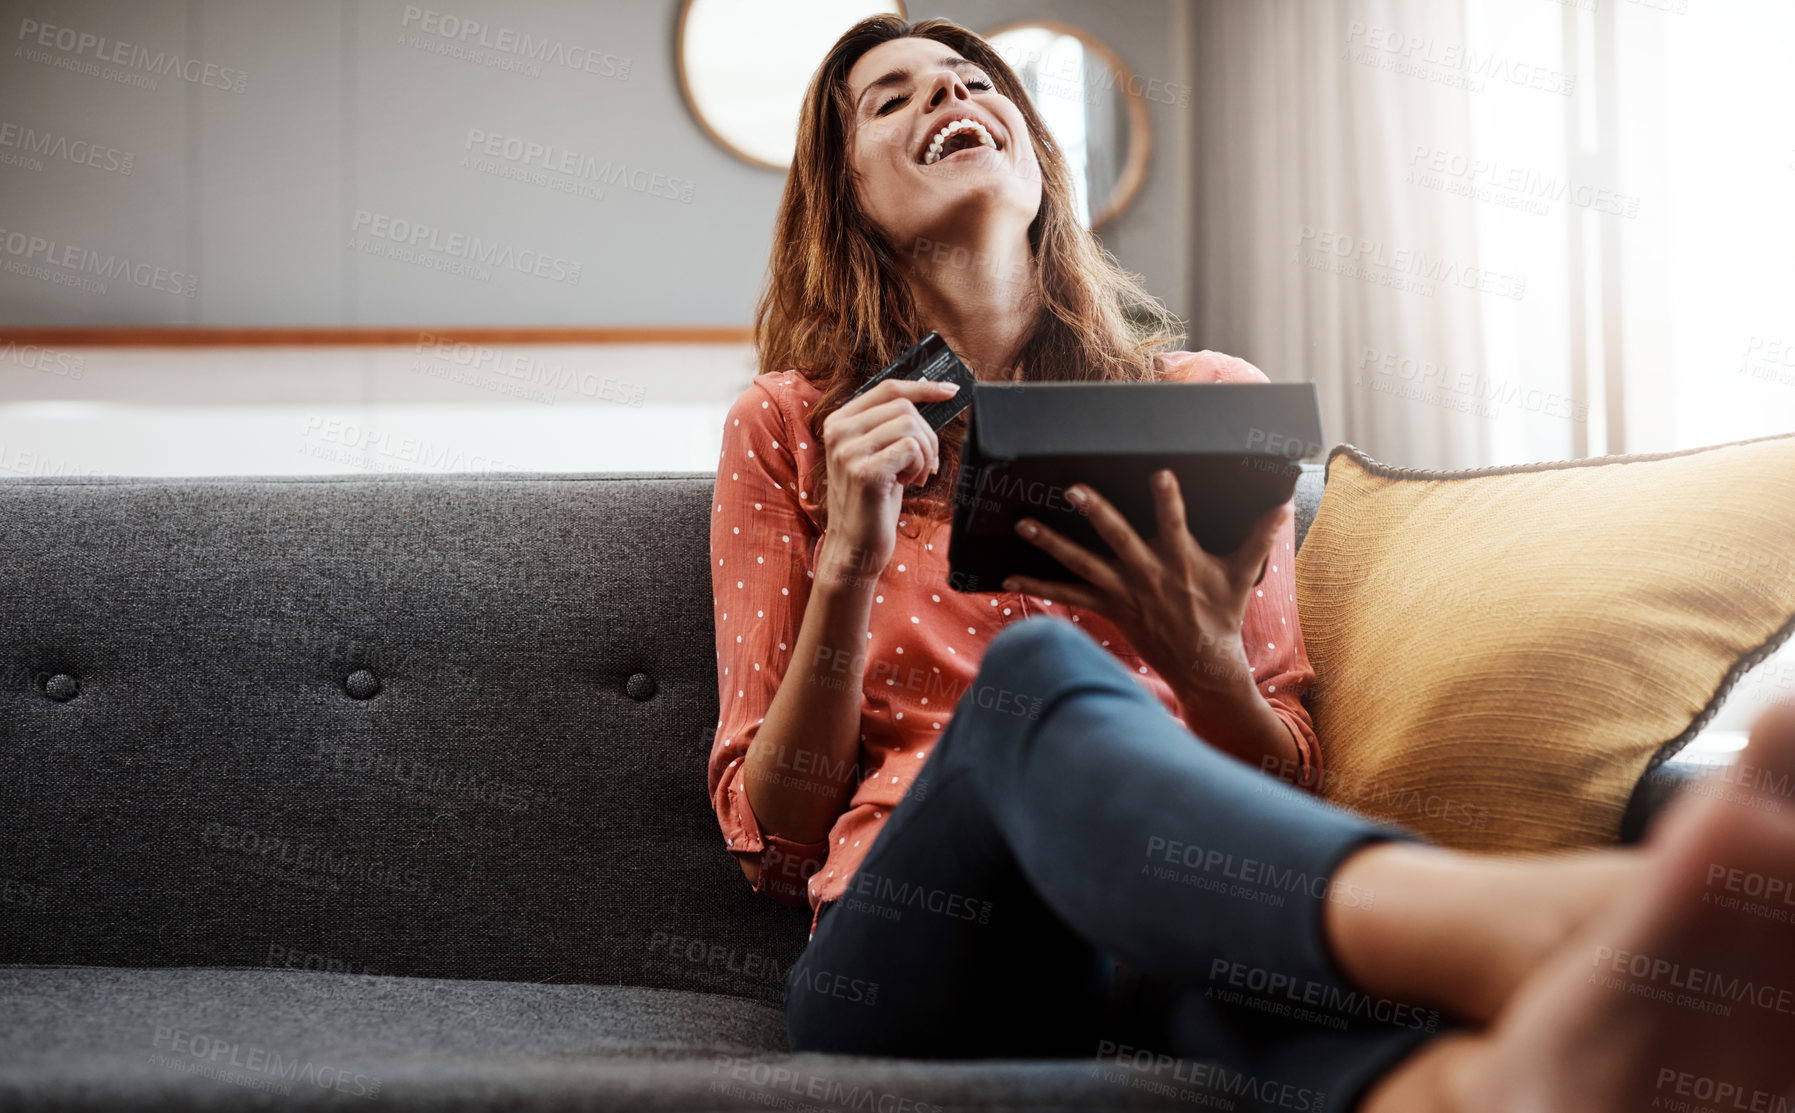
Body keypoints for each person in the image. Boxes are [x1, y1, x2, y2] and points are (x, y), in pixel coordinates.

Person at [707, 15, 1795, 1111]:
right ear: (842, 197)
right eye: (890, 100)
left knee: (1246, 1002)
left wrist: (1202, 658)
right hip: (911, 947)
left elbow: (1280, 773)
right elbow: (777, 830)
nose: (948, 99)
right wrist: (849, 561)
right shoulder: (793, 426)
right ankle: (1532, 930)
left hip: (1159, 920)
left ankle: (1485, 1082)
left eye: (972, 80)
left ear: (1036, 153)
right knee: (1031, 668)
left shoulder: (1206, 404)